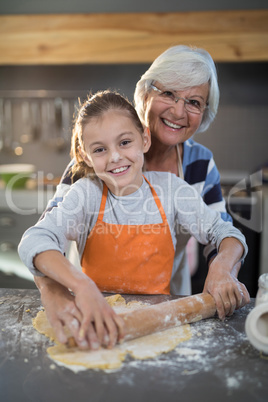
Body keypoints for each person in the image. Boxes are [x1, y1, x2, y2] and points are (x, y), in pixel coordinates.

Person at [18, 90, 249, 351]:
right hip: (93, 319)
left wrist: (222, 266)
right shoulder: (86, 194)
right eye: (100, 149)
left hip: (157, 324)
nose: (115, 156)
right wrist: (80, 286)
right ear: (85, 156)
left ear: (145, 140)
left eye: (125, 142)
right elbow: (34, 240)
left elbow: (226, 232)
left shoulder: (172, 191)